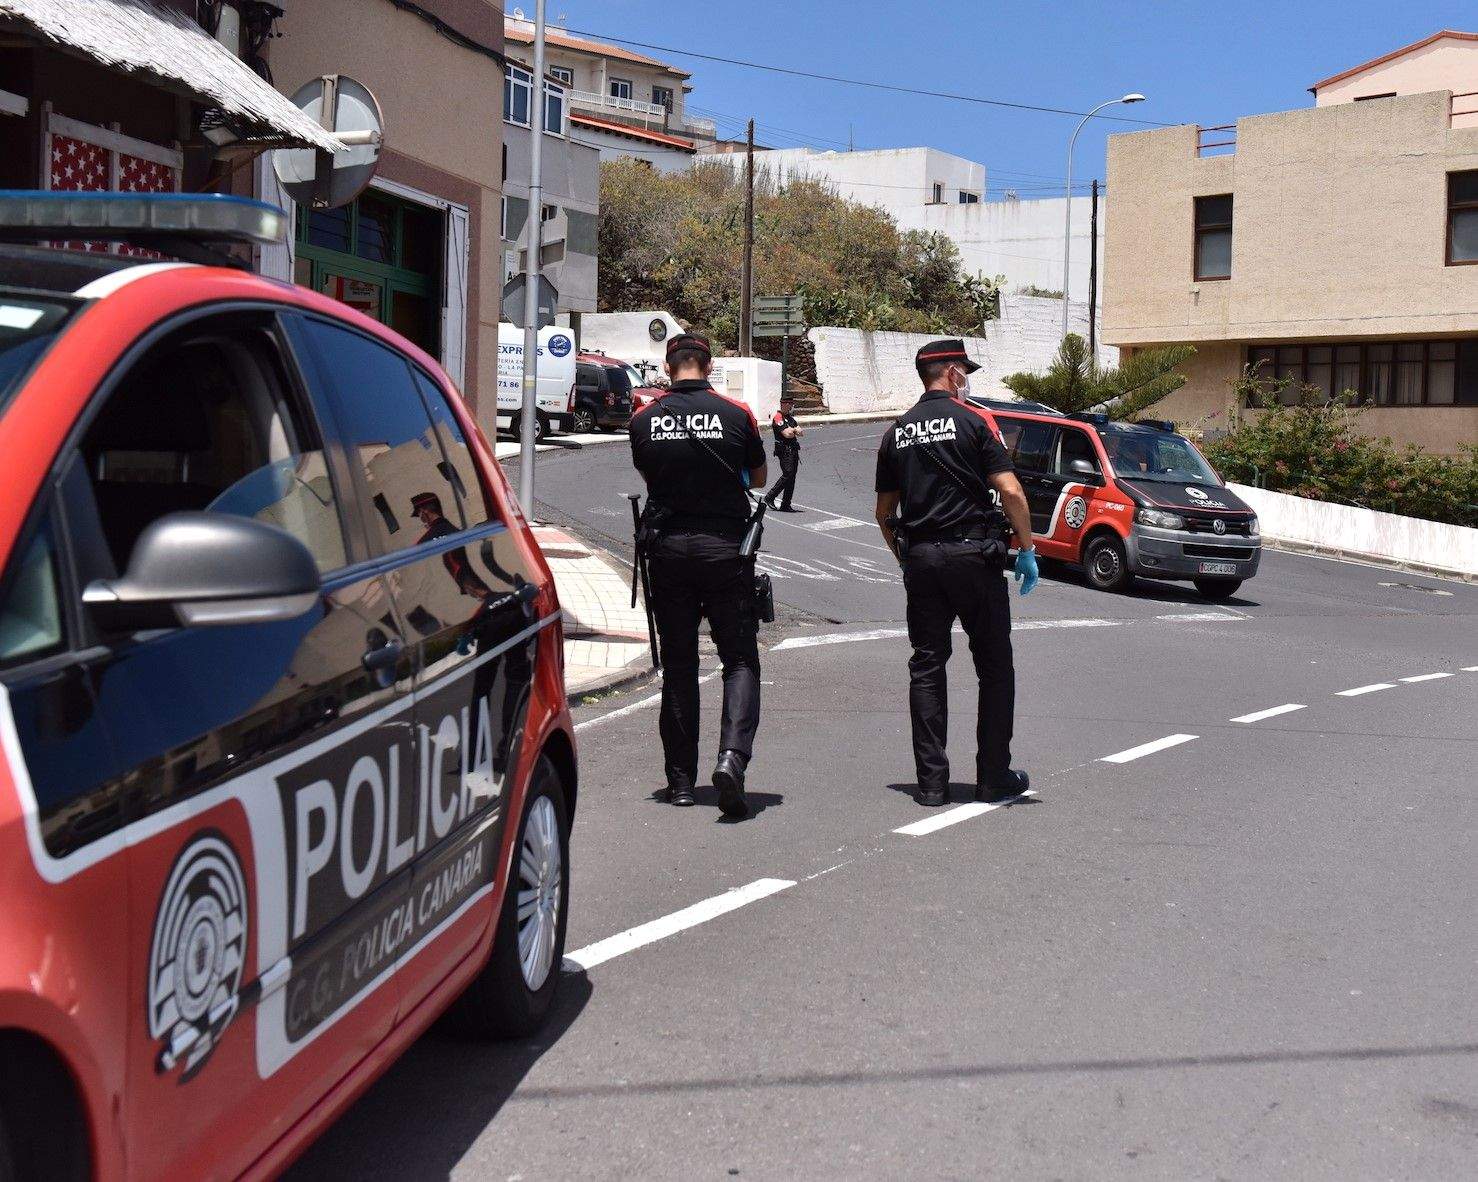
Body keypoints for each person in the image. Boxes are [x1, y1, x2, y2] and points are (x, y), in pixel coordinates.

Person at [873, 339, 1038, 808]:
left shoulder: (897, 432)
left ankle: (931, 784)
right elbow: (1010, 490)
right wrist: (1027, 548)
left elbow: (884, 511)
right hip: (973, 557)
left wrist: (905, 557)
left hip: (922, 558)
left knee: (927, 666)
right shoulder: (975, 421)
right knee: (994, 668)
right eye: (965, 370)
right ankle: (992, 777)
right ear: (953, 373)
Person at [629, 333, 767, 817]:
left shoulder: (643, 419)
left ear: (668, 369)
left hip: (668, 551)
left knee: (680, 664)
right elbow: (758, 477)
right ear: (709, 367)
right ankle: (731, 759)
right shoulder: (737, 414)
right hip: (725, 551)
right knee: (739, 659)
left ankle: (681, 782)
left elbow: (650, 478)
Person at [764, 394, 803, 512]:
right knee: (788, 474)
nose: (792, 406)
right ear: (785, 404)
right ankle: (770, 496)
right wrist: (794, 430)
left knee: (791, 477)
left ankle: (786, 504)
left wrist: (794, 430)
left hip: (793, 450)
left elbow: (801, 432)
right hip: (784, 451)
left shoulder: (790, 418)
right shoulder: (778, 417)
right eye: (790, 404)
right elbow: (786, 434)